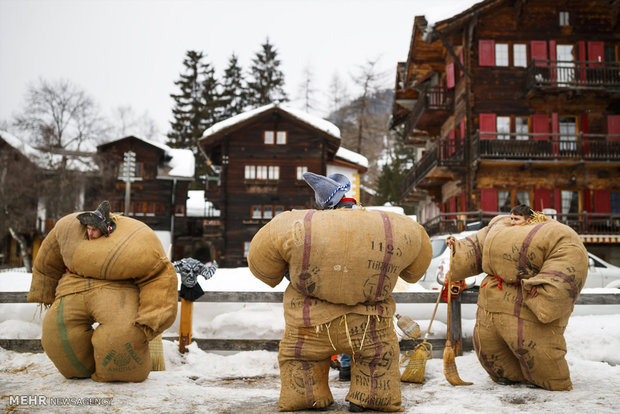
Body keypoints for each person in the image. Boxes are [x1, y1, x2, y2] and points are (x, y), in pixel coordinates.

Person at [247, 172, 432, 412]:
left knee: (301, 361)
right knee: (377, 359)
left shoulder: (290, 225)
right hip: (368, 325)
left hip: (309, 324)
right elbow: (415, 269)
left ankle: (310, 397)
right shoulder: (398, 226)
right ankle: (367, 397)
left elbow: (262, 267)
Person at [27, 201, 178, 382]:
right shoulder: (67, 229)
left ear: (106, 229)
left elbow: (159, 275)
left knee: (120, 337)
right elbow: (48, 259)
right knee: (56, 334)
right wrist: (44, 289)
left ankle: (114, 372)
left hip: (118, 291)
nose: (89, 233)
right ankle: (81, 368)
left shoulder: (138, 241)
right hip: (73, 287)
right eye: (88, 229)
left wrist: (153, 317)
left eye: (94, 229)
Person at [446, 207, 588, 391]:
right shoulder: (498, 226)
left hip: (527, 300)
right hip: (493, 298)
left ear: (530, 219)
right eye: (511, 218)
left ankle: (552, 381)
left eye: (517, 219)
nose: (512, 222)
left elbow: (569, 260)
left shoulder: (557, 233)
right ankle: (507, 375)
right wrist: (456, 247)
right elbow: (477, 245)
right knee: (488, 346)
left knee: (538, 352)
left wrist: (543, 286)